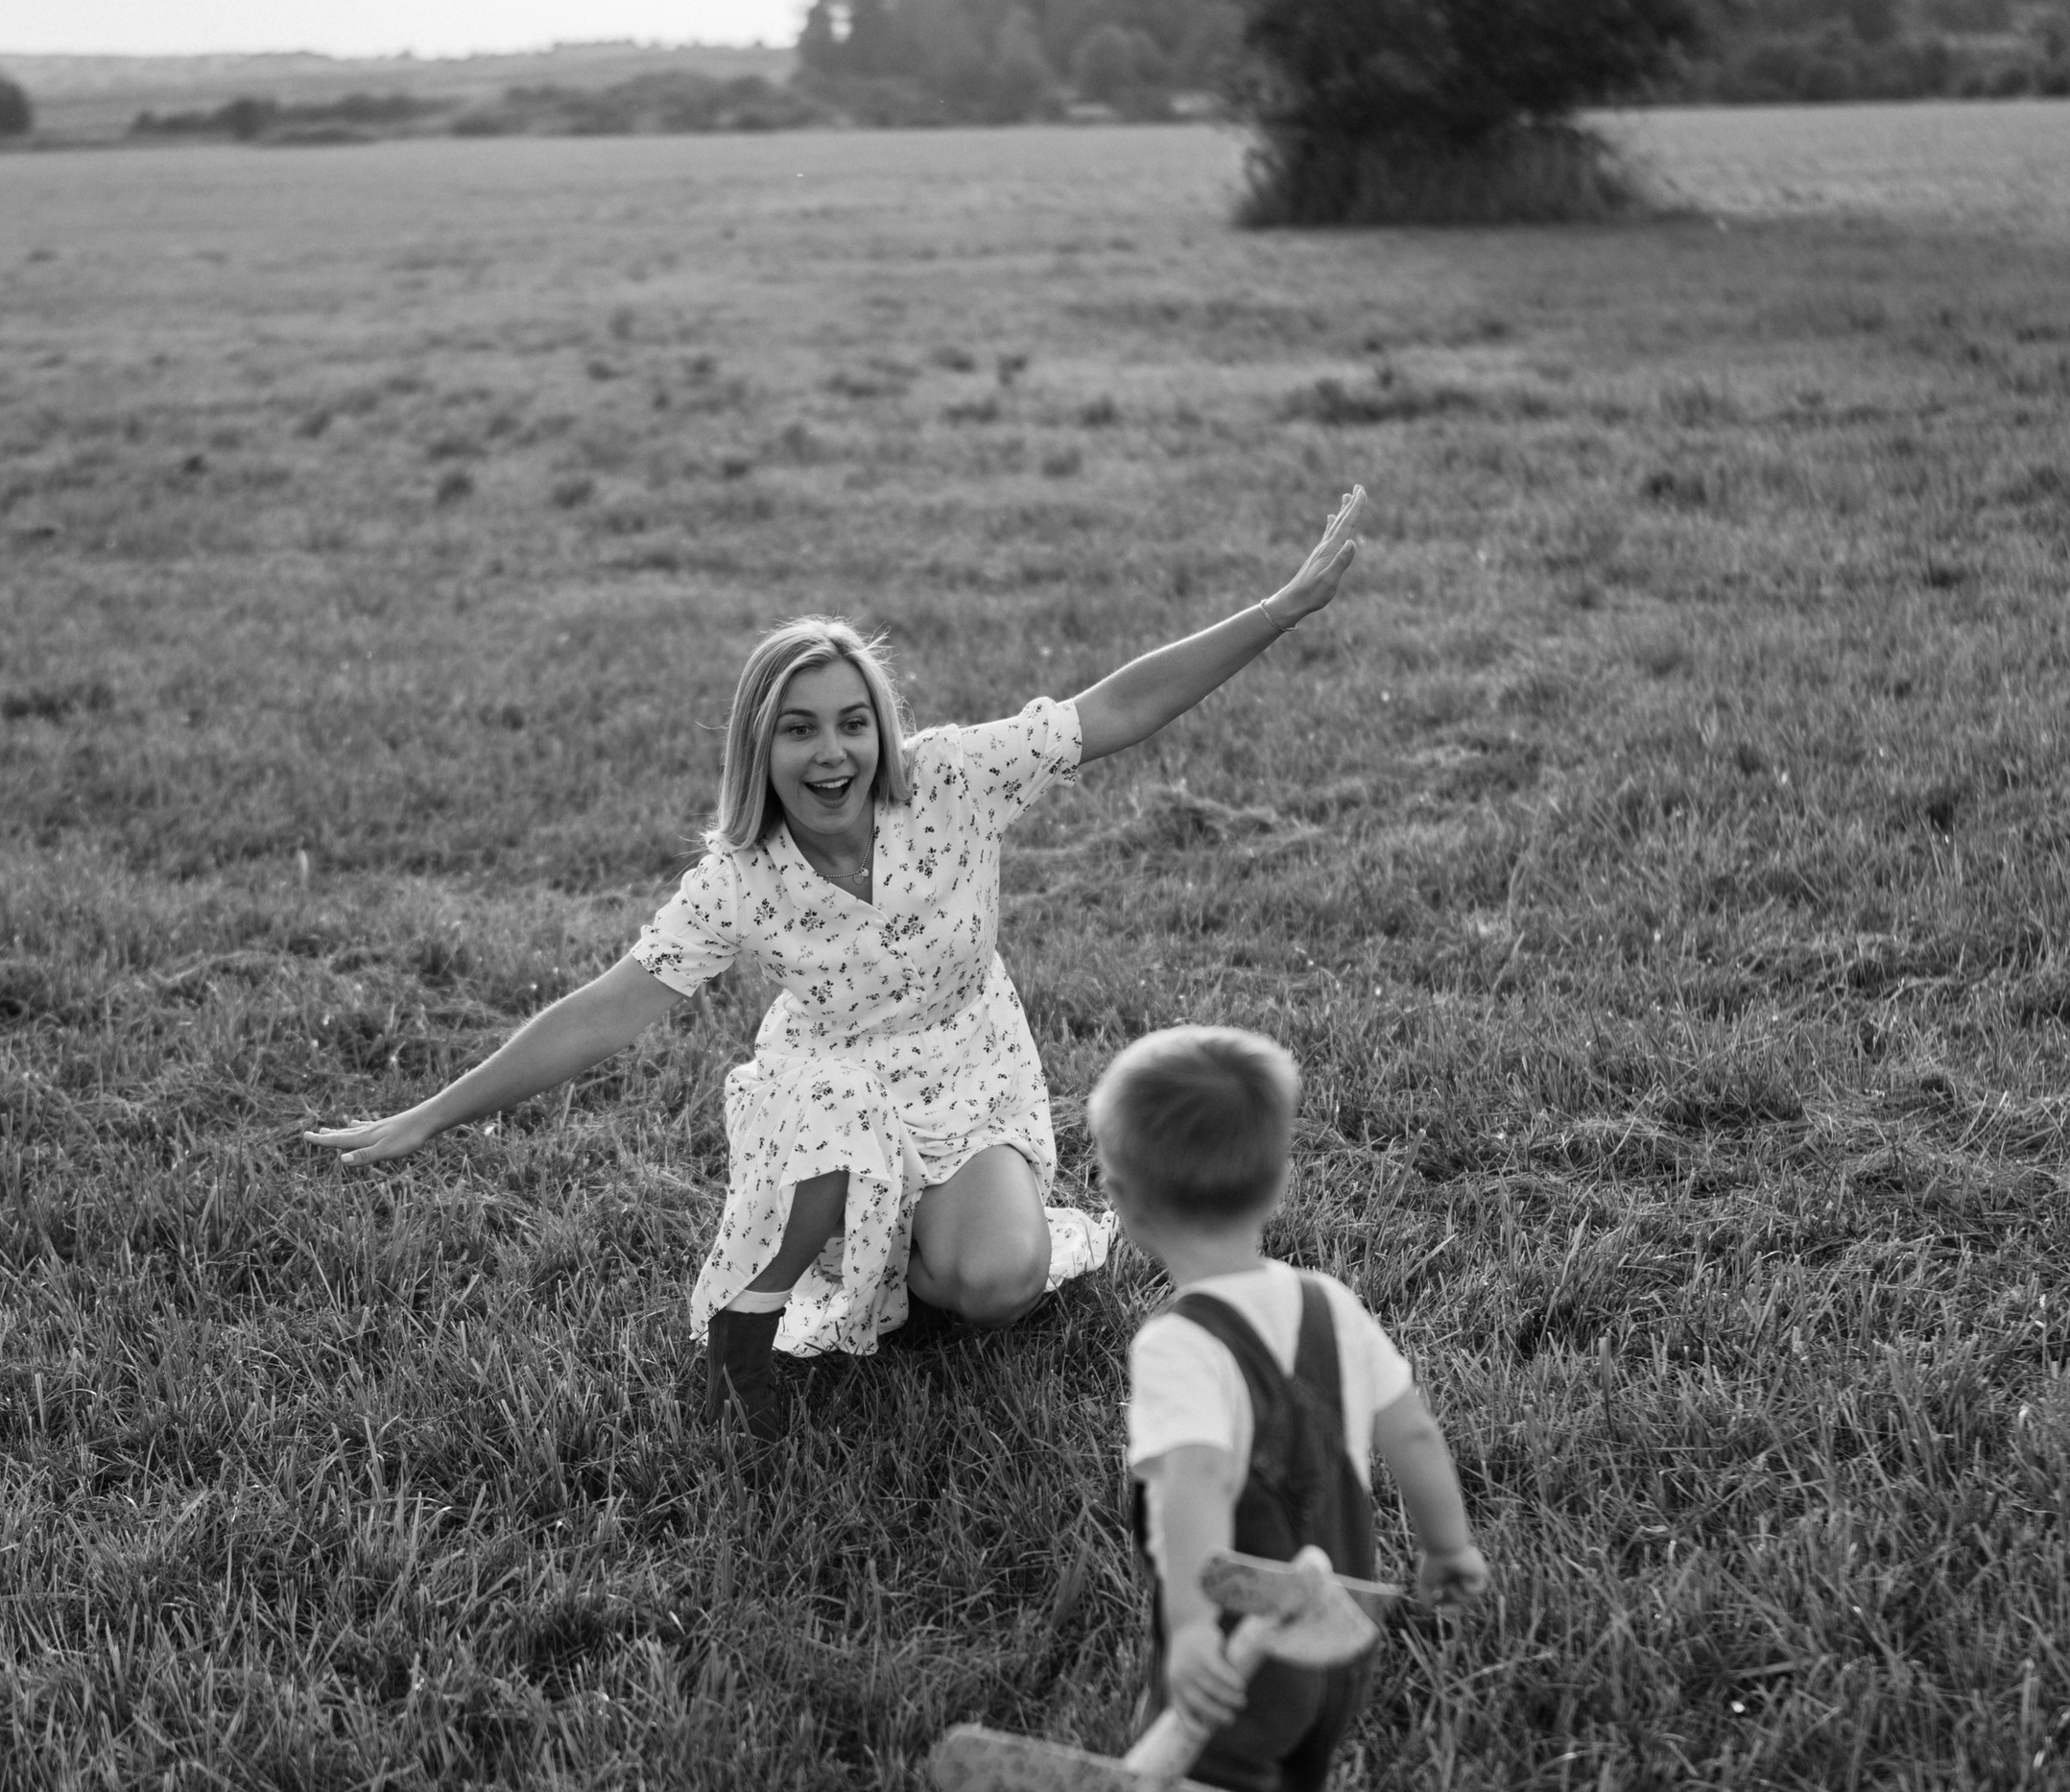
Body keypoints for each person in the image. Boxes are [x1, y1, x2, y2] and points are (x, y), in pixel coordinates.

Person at [308, 492, 1366, 1441]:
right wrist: (431, 1114)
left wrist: (1278, 609)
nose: (833, 754)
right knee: (829, 1114)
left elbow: (1118, 707)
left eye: (854, 725)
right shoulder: (740, 880)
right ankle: (754, 1316)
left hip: (968, 1073)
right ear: (759, 750)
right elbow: (608, 1011)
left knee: (997, 1285)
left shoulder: (953, 779)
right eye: (800, 731)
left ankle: (901, 1257)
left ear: (883, 731)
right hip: (831, 1102)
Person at [1083, 1021, 1487, 1792]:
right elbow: (1410, 1428)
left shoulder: (1179, 1341)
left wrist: (1203, 1624)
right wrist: (1447, 1551)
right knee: (1295, 1761)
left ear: (1118, 1198)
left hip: (1242, 1658)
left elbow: (1197, 1487)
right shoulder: (1325, 1302)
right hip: (1345, 1635)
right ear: (1282, 1175)